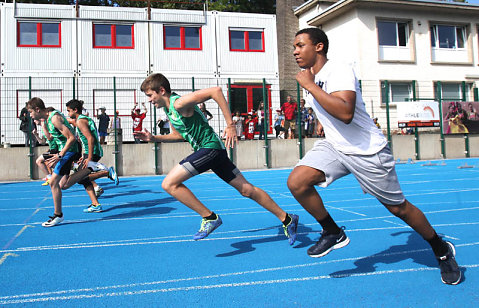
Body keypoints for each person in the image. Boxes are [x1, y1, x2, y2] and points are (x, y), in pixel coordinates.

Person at [288, 27, 460, 285]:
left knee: (398, 208)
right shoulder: (310, 76)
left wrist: (310, 86)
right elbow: (330, 109)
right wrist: (321, 120)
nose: (295, 51)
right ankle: (333, 231)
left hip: (367, 151)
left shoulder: (339, 70)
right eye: (294, 46)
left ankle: (441, 250)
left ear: (319, 46)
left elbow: (345, 112)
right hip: (336, 147)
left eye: (300, 45)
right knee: (297, 182)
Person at [135, 73, 299, 244]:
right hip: (213, 151)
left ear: (161, 90)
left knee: (169, 184)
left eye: (149, 95)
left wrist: (230, 125)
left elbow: (216, 91)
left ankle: (209, 217)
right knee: (247, 190)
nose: (149, 100)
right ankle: (287, 219)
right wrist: (154, 138)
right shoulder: (169, 110)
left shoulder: (179, 103)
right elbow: (178, 134)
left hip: (210, 148)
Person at [27, 98, 106, 227]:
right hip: (64, 152)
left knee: (53, 182)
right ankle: (91, 168)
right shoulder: (49, 119)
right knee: (63, 185)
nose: (30, 115)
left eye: (30, 112)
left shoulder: (54, 118)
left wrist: (60, 154)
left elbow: (71, 138)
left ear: (37, 109)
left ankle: (58, 215)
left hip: (69, 151)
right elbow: (54, 138)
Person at [67, 99, 119, 212]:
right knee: (83, 179)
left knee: (80, 178)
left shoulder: (81, 121)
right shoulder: (84, 119)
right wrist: (84, 155)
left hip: (93, 151)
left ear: (75, 110)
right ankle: (95, 204)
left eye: (69, 111)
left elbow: (90, 138)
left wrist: (89, 157)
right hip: (90, 151)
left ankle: (107, 172)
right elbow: (76, 125)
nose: (68, 114)